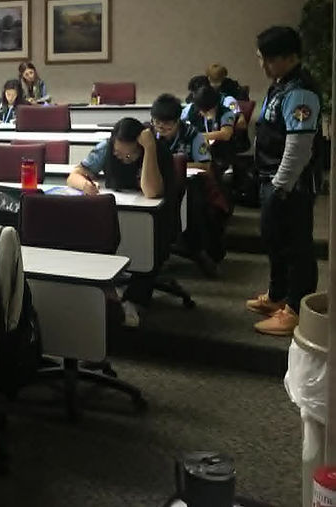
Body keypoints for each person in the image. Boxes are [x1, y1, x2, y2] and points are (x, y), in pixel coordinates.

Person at [245, 26, 322, 336]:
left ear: (290, 58)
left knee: (296, 245)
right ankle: (277, 296)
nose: (263, 66)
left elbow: (298, 147)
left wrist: (281, 185)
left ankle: (295, 308)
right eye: (261, 59)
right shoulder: (280, 85)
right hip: (272, 178)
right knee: (274, 239)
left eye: (269, 60)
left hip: (291, 184)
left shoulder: (300, 91)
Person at [152, 93, 226, 276]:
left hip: (192, 185)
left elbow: (205, 165)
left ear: (178, 121)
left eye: (168, 123)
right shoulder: (150, 136)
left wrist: (176, 163)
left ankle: (200, 250)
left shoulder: (194, 136)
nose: (162, 127)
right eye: (157, 122)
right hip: (161, 185)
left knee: (194, 204)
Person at [66, 118, 168, 199]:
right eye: (117, 153)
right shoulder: (105, 148)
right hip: (115, 207)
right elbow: (73, 176)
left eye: (128, 156)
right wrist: (85, 185)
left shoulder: (155, 150)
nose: (123, 159)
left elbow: (152, 192)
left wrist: (149, 148)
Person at [181, 85, 237, 168]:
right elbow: (178, 123)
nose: (202, 113)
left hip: (219, 152)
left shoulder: (226, 113)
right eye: (201, 110)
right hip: (196, 151)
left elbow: (226, 134)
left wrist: (198, 137)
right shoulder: (191, 109)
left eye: (206, 110)